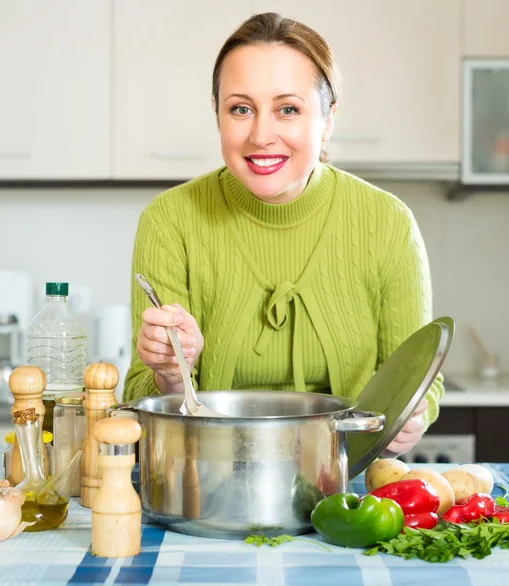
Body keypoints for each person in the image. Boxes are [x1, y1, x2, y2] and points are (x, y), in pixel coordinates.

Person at [123, 12, 443, 456]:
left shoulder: (387, 222)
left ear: (328, 118)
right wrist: (175, 371)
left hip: (347, 493)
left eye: (287, 109)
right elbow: (144, 397)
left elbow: (417, 375)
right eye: (241, 109)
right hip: (208, 490)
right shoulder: (170, 221)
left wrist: (414, 414)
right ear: (217, 115)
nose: (261, 135)